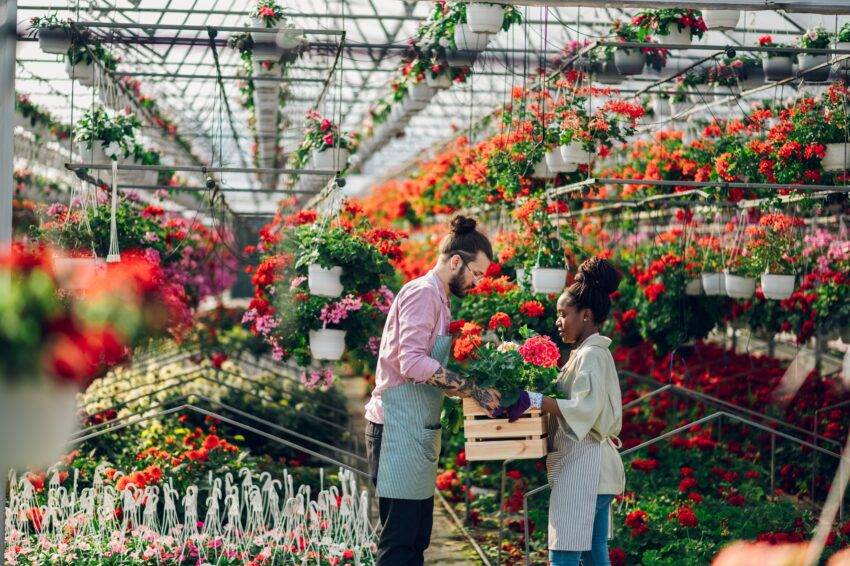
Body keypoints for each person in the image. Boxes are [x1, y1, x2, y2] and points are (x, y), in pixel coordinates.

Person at [364, 215, 502, 566]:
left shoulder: (440, 299)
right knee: (399, 543)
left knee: (416, 538)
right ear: (457, 261)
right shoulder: (423, 294)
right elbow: (410, 362)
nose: (478, 283)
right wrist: (472, 389)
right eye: (477, 274)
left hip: (414, 430)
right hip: (396, 430)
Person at [524, 256, 625, 566]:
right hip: (592, 469)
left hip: (587, 468)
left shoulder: (591, 355)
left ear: (586, 315)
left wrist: (533, 398)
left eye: (563, 314)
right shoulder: (586, 353)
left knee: (564, 552)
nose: (558, 321)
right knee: (595, 556)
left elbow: (583, 409)